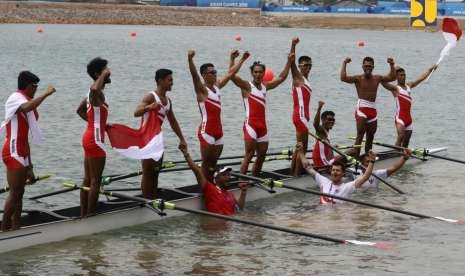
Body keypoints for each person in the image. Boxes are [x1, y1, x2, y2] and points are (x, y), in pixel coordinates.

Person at [1, 71, 56, 230]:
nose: (36, 90)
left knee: (20, 192)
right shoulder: (15, 98)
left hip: (22, 150)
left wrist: (29, 166)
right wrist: (46, 94)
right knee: (15, 192)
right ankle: (4, 228)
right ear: (27, 86)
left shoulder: (26, 99)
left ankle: (16, 226)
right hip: (12, 150)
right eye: (35, 87)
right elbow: (28, 107)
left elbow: (25, 139)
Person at [188, 49, 250, 181]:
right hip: (207, 132)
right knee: (206, 165)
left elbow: (231, 73)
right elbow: (194, 75)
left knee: (212, 165)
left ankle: (212, 187)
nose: (215, 74)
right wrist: (190, 59)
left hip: (218, 132)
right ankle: (205, 191)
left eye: (215, 72)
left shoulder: (217, 86)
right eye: (212, 72)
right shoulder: (201, 90)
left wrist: (241, 59)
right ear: (204, 75)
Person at [231, 50, 293, 176]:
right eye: (255, 72)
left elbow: (281, 77)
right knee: (249, 155)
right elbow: (231, 75)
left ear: (264, 73)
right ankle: (242, 182)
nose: (258, 74)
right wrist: (237, 59)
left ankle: (253, 180)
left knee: (261, 156)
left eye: (260, 72)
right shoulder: (246, 86)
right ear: (252, 73)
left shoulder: (265, 87)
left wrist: (289, 62)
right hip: (251, 125)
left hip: (262, 126)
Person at [134, 69, 186, 199]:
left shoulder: (168, 101)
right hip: (146, 139)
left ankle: (153, 197)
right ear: (160, 81)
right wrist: (148, 107)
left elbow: (173, 122)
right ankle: (147, 200)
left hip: (157, 140)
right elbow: (136, 112)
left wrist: (182, 139)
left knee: (156, 172)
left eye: (172, 80)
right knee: (147, 173)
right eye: (170, 80)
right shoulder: (151, 96)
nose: (172, 83)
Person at [340, 56, 396, 158]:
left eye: (370, 66)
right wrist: (344, 63)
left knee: (370, 137)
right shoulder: (358, 78)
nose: (368, 68)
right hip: (361, 108)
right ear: (362, 66)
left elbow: (392, 77)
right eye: (366, 66)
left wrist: (391, 65)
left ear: (373, 67)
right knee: (360, 134)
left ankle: (367, 158)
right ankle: (356, 158)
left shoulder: (377, 78)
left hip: (372, 109)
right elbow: (343, 78)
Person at [77, 57, 111, 217]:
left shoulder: (92, 94)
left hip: (88, 137)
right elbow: (95, 89)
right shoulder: (94, 92)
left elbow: (80, 110)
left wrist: (101, 125)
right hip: (95, 140)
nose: (109, 71)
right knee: (95, 180)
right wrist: (102, 76)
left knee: (87, 179)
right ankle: (90, 216)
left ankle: (83, 213)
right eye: (106, 69)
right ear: (98, 73)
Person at [179, 144, 248, 215]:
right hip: (216, 224)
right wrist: (186, 154)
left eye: (229, 175)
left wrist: (243, 192)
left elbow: (239, 209)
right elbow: (197, 172)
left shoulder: (230, 194)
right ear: (216, 178)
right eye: (224, 175)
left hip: (229, 222)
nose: (228, 177)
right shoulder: (210, 189)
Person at [297, 142, 376, 204]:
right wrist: (300, 152)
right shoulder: (323, 182)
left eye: (337, 171)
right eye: (333, 170)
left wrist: (372, 161)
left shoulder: (347, 187)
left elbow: (365, 177)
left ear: (343, 174)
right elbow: (308, 167)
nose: (334, 172)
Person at [381, 65, 437, 147]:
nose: (403, 77)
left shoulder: (409, 86)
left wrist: (430, 70)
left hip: (409, 119)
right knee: (401, 136)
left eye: (404, 75)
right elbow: (383, 82)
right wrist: (392, 71)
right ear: (396, 77)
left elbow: (421, 78)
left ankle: (403, 156)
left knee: (406, 141)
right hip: (400, 118)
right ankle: (394, 152)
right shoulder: (395, 88)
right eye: (401, 75)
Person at [289, 37, 313, 176]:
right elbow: (291, 60)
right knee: (302, 149)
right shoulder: (297, 77)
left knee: (299, 148)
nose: (306, 67)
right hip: (300, 116)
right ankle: (297, 176)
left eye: (308, 65)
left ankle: (293, 172)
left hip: (302, 116)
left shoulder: (306, 80)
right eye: (303, 65)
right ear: (299, 67)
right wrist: (293, 45)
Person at [311, 101, 336, 171]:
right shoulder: (321, 130)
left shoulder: (326, 132)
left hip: (324, 159)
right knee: (351, 151)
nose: (332, 121)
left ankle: (333, 166)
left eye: (333, 120)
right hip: (321, 162)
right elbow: (315, 124)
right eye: (329, 119)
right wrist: (319, 109)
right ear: (323, 120)